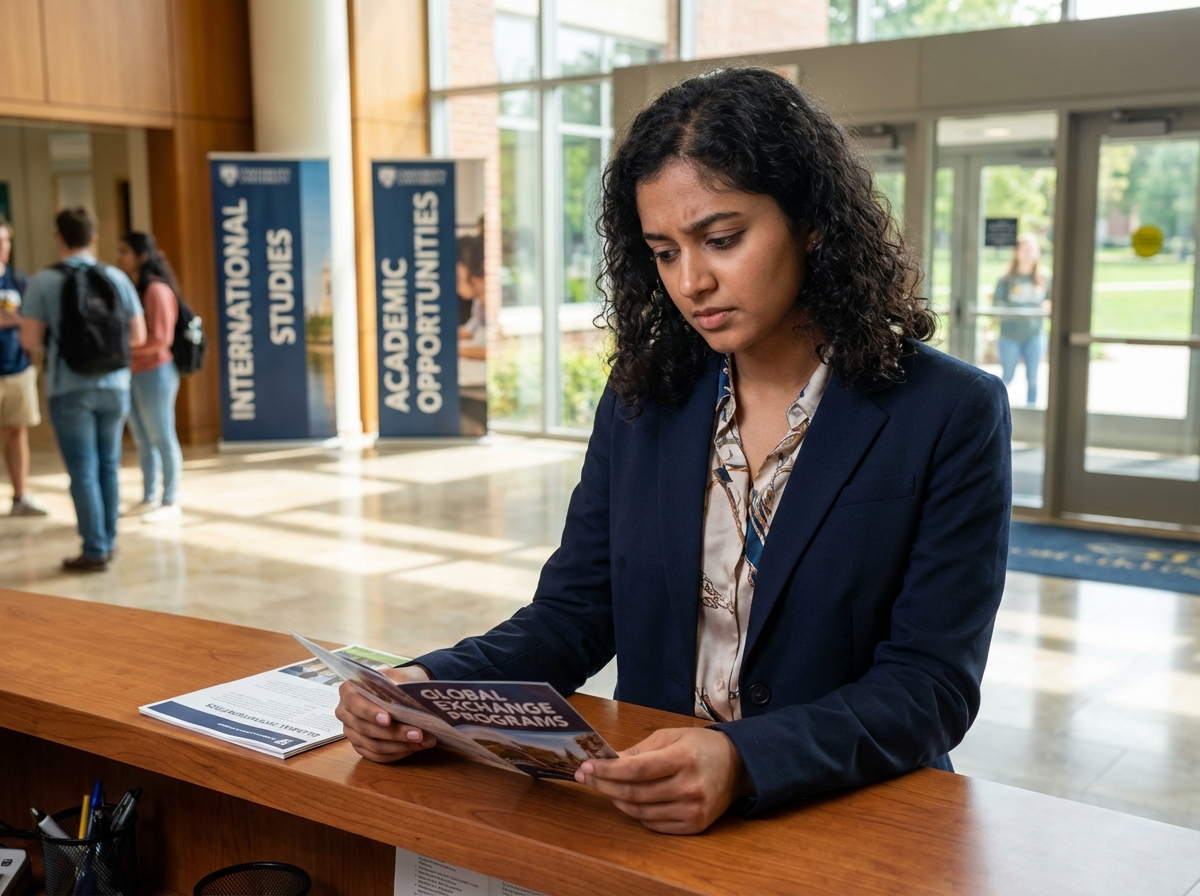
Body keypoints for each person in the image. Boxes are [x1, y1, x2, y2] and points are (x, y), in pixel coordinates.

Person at [336, 68, 1011, 834]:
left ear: (813, 221)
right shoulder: (642, 402)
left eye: (723, 239)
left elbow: (929, 687)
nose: (691, 281)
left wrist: (743, 757)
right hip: (653, 811)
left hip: (848, 819)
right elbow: (573, 616)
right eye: (663, 251)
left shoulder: (949, 411)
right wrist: (425, 685)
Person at [20, 208, 145, 571]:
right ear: (94, 238)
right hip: (116, 385)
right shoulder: (117, 278)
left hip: (69, 388)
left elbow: (31, 340)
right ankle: (110, 540)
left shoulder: (44, 281)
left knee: (83, 470)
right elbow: (138, 335)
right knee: (109, 465)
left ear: (58, 237)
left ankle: (94, 549)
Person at [115, 232, 183, 523]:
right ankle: (149, 495)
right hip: (134, 374)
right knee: (143, 440)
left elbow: (160, 339)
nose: (119, 257)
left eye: (124, 252)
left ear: (141, 255)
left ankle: (170, 500)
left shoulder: (156, 290)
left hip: (156, 373)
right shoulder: (133, 288)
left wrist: (124, 350)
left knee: (162, 437)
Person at [0, 216, 48, 516]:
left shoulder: (19, 281)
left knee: (17, 432)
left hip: (17, 370)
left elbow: (33, 322)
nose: (2, 247)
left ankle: (21, 496)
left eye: (4, 241)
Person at [993, 234, 1050, 407]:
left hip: (1035, 335)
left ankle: (1031, 411)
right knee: (1007, 377)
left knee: (1033, 378)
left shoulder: (1044, 278)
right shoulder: (1005, 279)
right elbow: (997, 306)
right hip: (1009, 336)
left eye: (1031, 249)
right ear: (1016, 252)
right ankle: (996, 410)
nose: (1028, 253)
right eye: (1024, 249)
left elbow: (1052, 302)